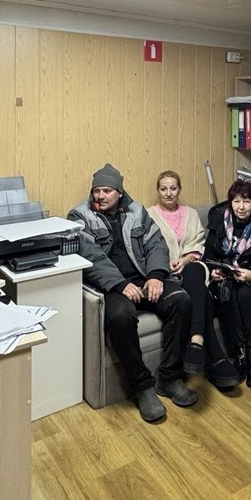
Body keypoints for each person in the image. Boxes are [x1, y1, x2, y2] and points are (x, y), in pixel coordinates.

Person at [69, 163, 196, 422]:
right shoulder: (79, 216)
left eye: (106, 191)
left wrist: (155, 275)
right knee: (120, 316)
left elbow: (156, 244)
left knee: (181, 300)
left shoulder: (137, 211)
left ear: (119, 192)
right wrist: (120, 284)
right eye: (96, 191)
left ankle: (170, 378)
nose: (100, 196)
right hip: (111, 286)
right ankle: (143, 387)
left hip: (142, 278)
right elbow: (90, 256)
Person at [146, 171, 240, 389]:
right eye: (163, 189)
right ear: (158, 191)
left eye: (173, 188)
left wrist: (186, 259)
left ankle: (197, 343)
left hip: (191, 267)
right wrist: (166, 263)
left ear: (180, 189)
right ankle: (212, 355)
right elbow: (148, 247)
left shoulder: (191, 213)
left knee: (194, 270)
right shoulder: (148, 215)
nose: (168, 193)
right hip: (165, 272)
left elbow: (198, 243)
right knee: (202, 295)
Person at [203, 179, 251, 388]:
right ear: (230, 203)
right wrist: (213, 270)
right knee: (229, 292)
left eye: (246, 201)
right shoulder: (219, 219)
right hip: (226, 279)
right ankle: (240, 353)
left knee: (244, 293)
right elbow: (208, 254)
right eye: (236, 201)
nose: (241, 207)